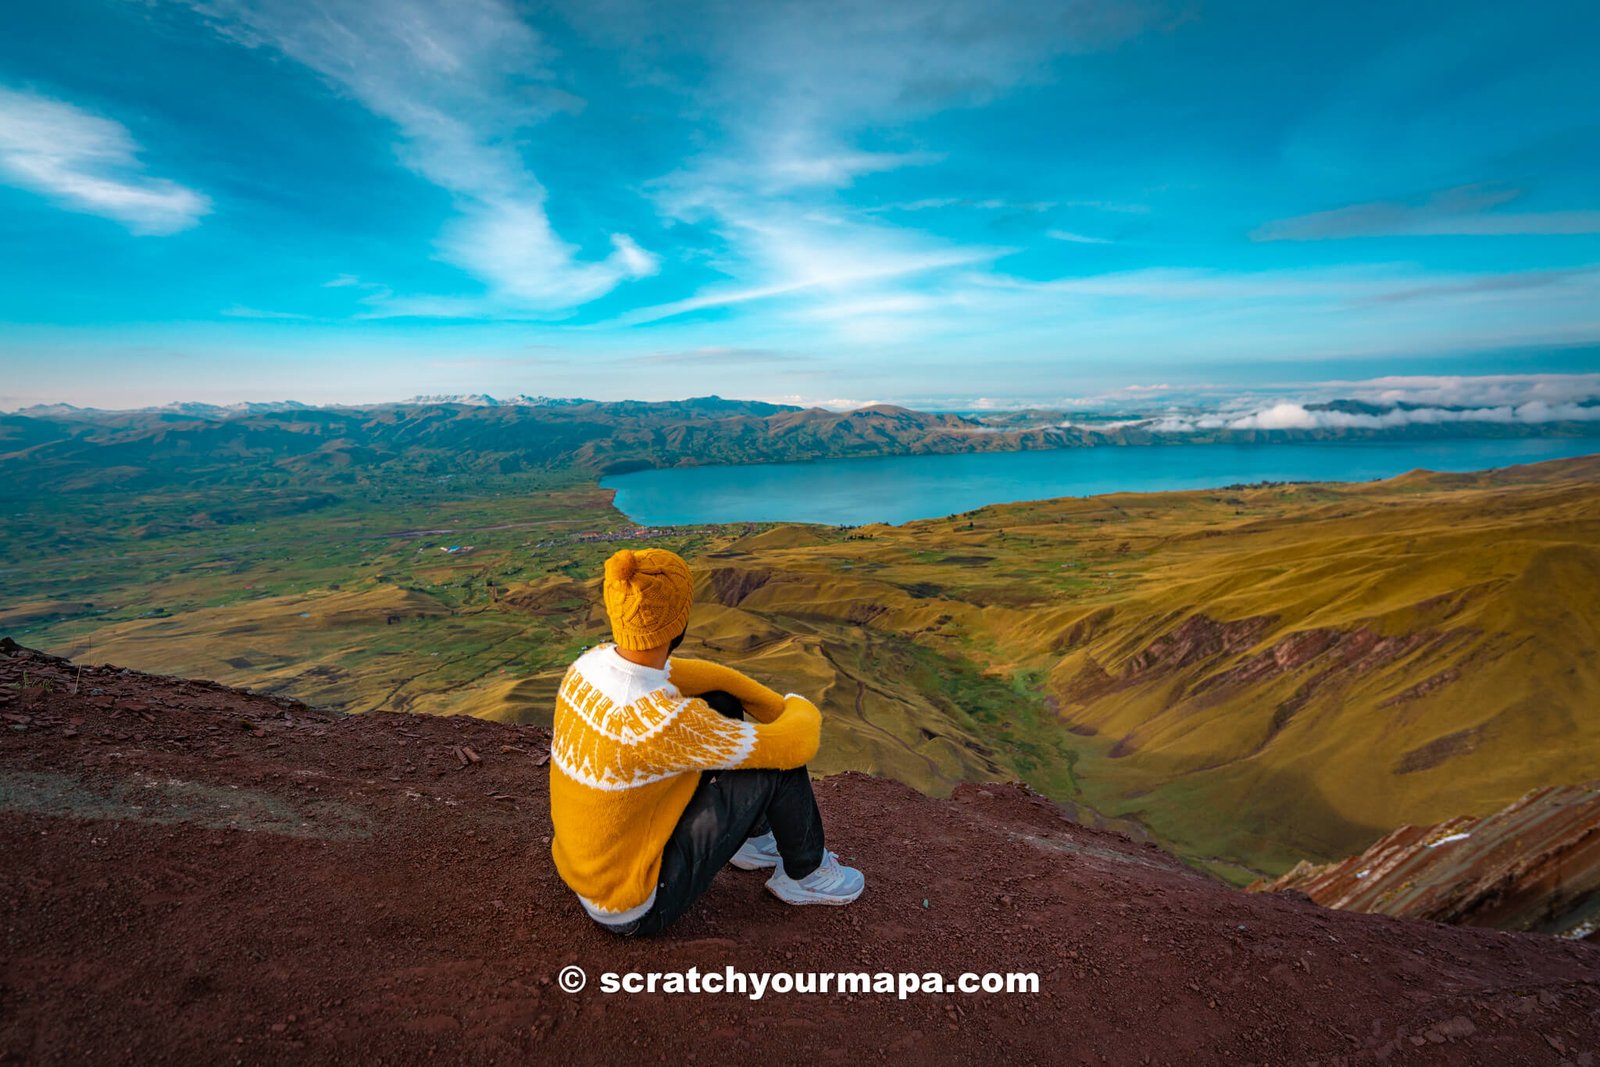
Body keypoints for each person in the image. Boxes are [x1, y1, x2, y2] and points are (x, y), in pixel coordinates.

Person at [548, 547, 864, 935]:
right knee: (778, 766)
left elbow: (694, 675)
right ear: (678, 623)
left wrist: (762, 702)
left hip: (596, 872)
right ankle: (807, 874)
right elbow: (796, 743)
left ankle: (754, 840)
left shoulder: (590, 665)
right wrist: (793, 706)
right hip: (634, 904)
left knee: (720, 703)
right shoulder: (660, 721)